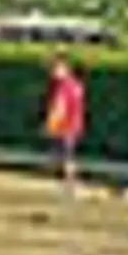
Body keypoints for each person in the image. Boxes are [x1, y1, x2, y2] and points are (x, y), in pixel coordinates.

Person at [44, 58, 87, 196]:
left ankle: (71, 186)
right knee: (67, 157)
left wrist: (51, 124)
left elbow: (59, 107)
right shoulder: (77, 85)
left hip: (66, 126)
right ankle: (70, 185)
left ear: (64, 69)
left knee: (66, 158)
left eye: (55, 69)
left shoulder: (63, 86)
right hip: (75, 125)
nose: (53, 73)